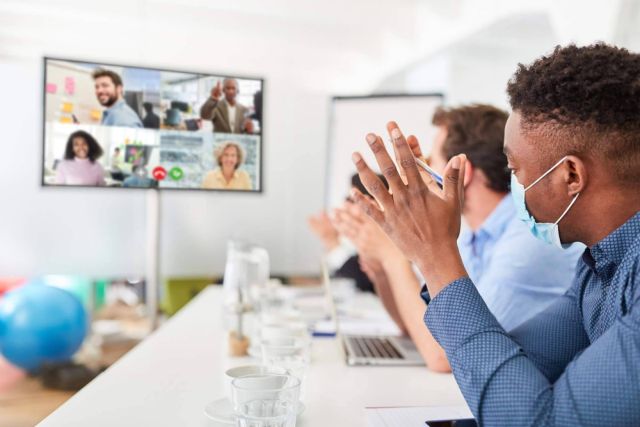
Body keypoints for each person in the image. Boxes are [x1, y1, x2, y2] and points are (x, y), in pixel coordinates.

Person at [351, 44, 640, 425]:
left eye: (514, 168)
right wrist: (425, 230)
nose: (512, 182)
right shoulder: (598, 266)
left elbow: (535, 419)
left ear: (570, 175)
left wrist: (435, 256)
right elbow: (508, 371)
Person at [333, 104, 581, 371]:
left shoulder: (529, 237)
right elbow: (413, 325)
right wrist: (381, 268)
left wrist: (394, 258)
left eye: (430, 163)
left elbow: (446, 355)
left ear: (460, 172)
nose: (423, 175)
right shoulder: (470, 235)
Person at [308, 174, 388, 293]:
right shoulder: (358, 246)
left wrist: (331, 242)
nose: (345, 206)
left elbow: (364, 282)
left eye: (350, 200)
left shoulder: (389, 245)